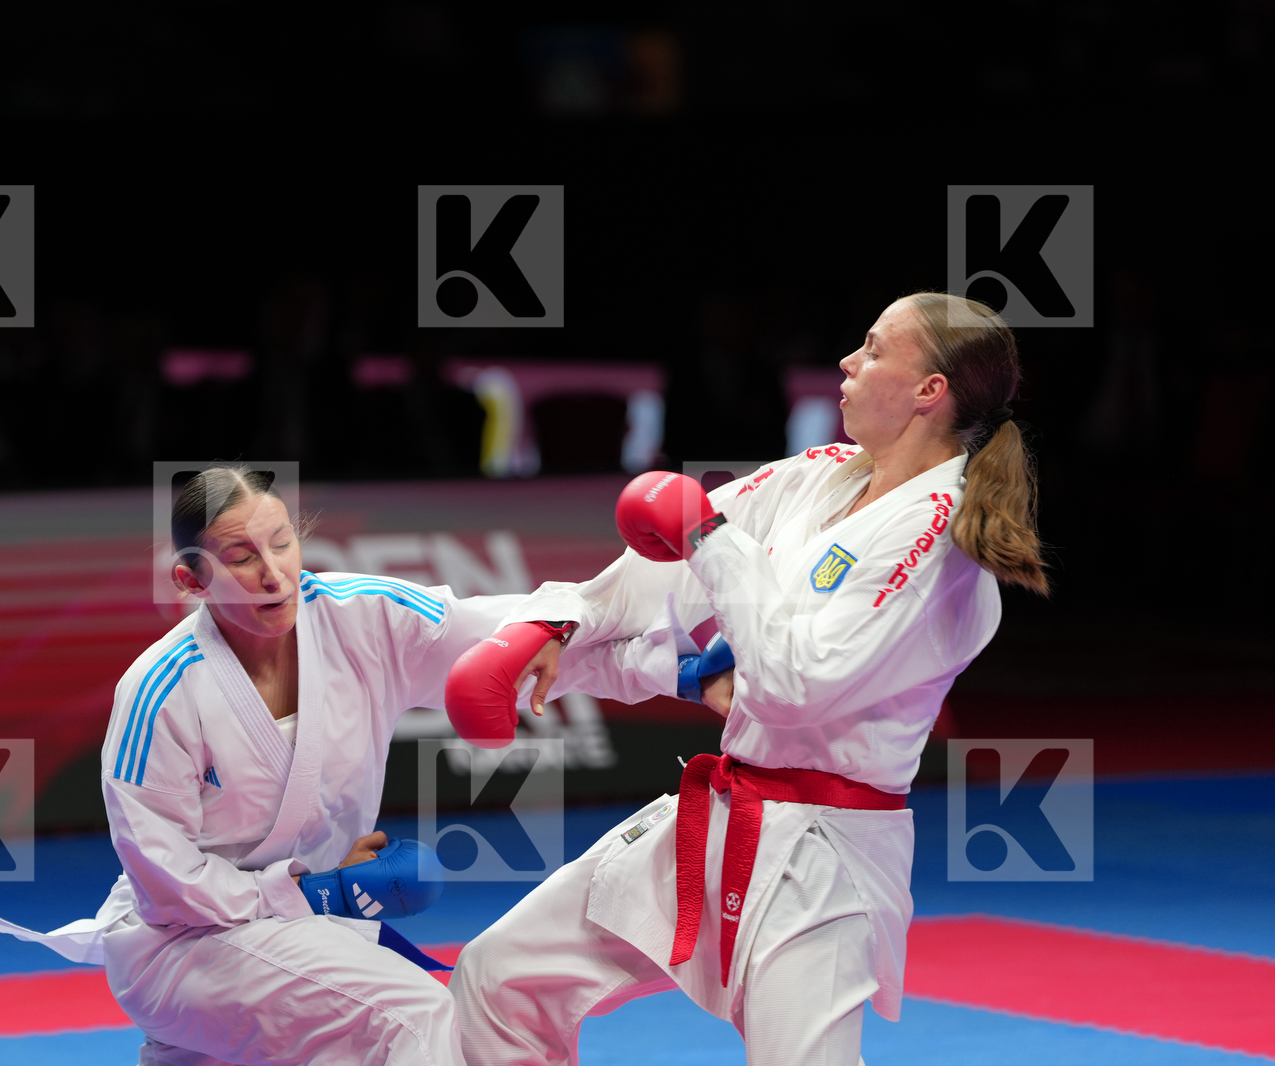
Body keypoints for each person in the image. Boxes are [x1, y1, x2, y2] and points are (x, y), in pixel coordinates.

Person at [443, 293, 1048, 1066]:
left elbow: (796, 684)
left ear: (929, 390)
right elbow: (662, 569)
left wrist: (711, 539)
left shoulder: (939, 537)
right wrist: (559, 626)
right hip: (723, 810)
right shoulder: (824, 475)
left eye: (872, 349)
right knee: (501, 974)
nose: (848, 362)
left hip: (820, 860)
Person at [0, 465, 628, 1066]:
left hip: (302, 934)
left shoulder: (362, 616)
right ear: (190, 580)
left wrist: (655, 668)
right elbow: (166, 884)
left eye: (283, 543)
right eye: (241, 558)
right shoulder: (159, 692)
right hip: (181, 948)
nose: (274, 574)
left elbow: (511, 640)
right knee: (411, 1015)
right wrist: (317, 892)